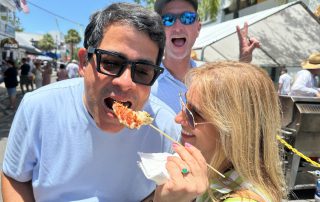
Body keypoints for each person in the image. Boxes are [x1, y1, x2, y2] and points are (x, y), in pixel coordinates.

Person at [1, 3, 180, 201]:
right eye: (111, 62)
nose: (125, 82)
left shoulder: (166, 129)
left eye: (143, 71)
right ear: (84, 62)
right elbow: (15, 176)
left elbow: (160, 192)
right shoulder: (38, 108)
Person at [153, 61, 287, 202]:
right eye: (184, 104)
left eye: (194, 113)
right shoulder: (219, 177)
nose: (178, 118)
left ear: (234, 130)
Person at [151, 0, 260, 113]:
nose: (178, 28)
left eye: (187, 18)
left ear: (198, 28)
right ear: (159, 30)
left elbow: (236, 105)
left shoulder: (212, 77)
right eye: (167, 19)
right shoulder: (144, 81)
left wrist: (244, 61)